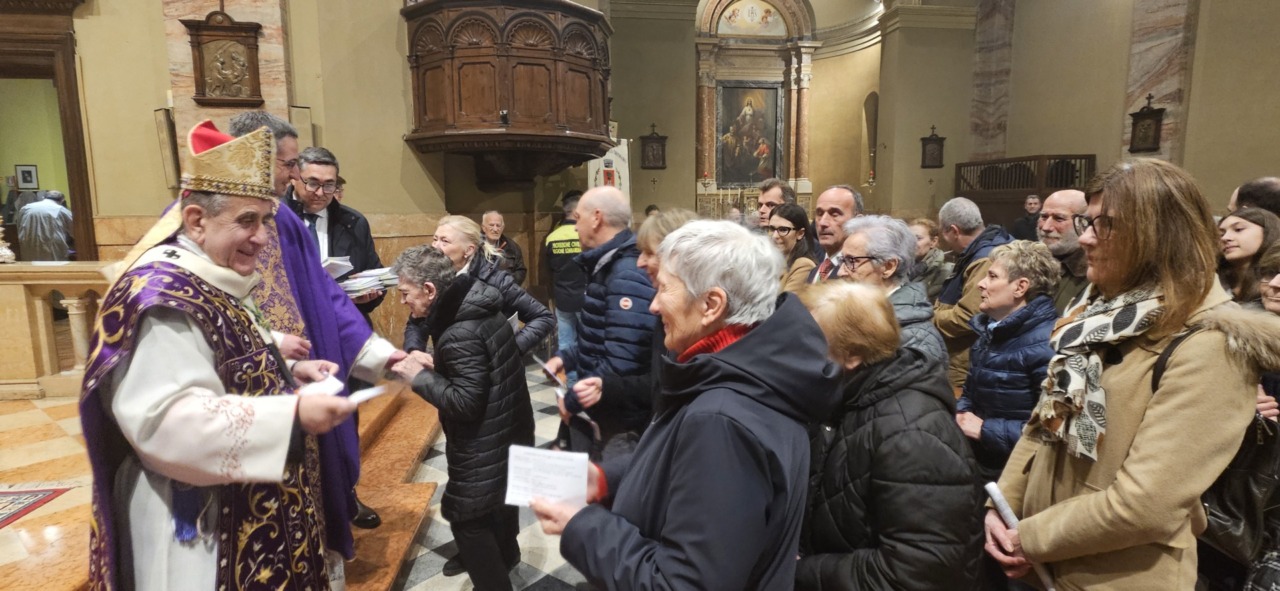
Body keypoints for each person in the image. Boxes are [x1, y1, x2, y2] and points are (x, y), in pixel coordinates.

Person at [79, 121, 360, 590]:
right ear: (195, 220)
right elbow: (164, 422)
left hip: (249, 503)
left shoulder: (210, 274)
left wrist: (290, 369)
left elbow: (222, 357)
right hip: (199, 524)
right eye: (247, 221)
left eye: (265, 220)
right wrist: (291, 415)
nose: (262, 238)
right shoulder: (163, 297)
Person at [986, 159, 1270, 590]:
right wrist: (1003, 506)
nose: (1086, 237)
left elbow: (1146, 504)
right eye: (1087, 221)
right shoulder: (1099, 315)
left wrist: (1031, 537)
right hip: (1045, 560)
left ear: (1159, 235)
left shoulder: (1211, 345)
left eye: (1106, 225)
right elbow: (1043, 426)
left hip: (1116, 575)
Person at [530, 220, 842, 589]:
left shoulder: (722, 419)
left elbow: (683, 584)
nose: (653, 305)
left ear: (711, 304)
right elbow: (687, 470)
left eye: (664, 288)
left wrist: (581, 525)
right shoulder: (751, 370)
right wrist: (606, 479)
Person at [228, 111, 403, 547]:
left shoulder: (283, 221)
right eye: (289, 165)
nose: (293, 177)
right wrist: (270, 344)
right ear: (252, 158)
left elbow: (326, 294)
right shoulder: (200, 220)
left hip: (308, 370)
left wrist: (383, 356)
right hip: (237, 404)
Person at [796, 280, 984, 590]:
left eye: (810, 342)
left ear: (852, 355)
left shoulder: (913, 435)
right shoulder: (846, 397)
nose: (796, 352)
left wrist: (799, 572)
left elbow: (916, 572)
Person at [390, 245, 533, 589]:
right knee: (499, 502)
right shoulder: (476, 303)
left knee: (467, 519)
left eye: (405, 293)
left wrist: (419, 378)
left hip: (484, 440)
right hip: (508, 426)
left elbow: (466, 403)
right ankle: (508, 554)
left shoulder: (458, 332)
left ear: (429, 289)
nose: (402, 301)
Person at [544, 186, 657, 457]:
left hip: (620, 419)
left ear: (596, 218)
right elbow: (602, 336)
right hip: (605, 409)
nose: (574, 227)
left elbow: (622, 361)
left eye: (577, 218)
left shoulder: (625, 273)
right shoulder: (607, 264)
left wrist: (573, 401)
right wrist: (567, 357)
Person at [955, 240, 1058, 484]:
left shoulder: (1048, 344)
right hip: (981, 463)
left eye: (992, 276)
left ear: (1020, 287)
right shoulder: (992, 330)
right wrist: (962, 413)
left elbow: (1052, 431)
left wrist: (985, 430)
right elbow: (971, 391)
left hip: (1015, 475)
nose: (981, 284)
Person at [404, 215, 552, 358]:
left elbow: (543, 317)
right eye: (435, 239)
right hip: (448, 365)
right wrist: (415, 350)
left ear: (469, 250)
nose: (436, 247)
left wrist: (510, 351)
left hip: (490, 371)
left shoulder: (495, 280)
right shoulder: (432, 276)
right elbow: (417, 321)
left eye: (445, 241)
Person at [288, 147, 385, 319]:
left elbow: (375, 276)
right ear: (295, 178)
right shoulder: (273, 216)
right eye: (312, 183)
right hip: (293, 322)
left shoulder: (354, 222)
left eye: (329, 185)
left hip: (342, 321)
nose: (320, 193)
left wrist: (364, 297)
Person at [838, 215, 946, 365]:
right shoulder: (866, 313)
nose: (840, 272)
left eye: (851, 261)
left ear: (888, 267)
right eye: (842, 260)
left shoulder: (913, 339)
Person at [934, 196, 1013, 389]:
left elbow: (969, 316)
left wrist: (929, 317)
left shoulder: (985, 258)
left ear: (954, 231)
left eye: (943, 233)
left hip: (966, 359)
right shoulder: (985, 247)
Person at [545, 190, 587, 376]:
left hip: (562, 298)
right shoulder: (585, 235)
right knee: (588, 344)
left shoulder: (552, 237)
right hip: (585, 298)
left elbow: (548, 269)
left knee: (565, 345)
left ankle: (570, 385)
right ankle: (586, 384)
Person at [1037, 189, 1090, 313]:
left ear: (1083, 223)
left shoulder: (1096, 274)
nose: (1046, 227)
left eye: (1059, 219)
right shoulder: (1026, 262)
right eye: (1044, 217)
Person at [1218, 207, 1280, 306]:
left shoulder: (1276, 281)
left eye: (1238, 229)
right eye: (1221, 234)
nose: (1225, 238)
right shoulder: (1212, 280)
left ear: (1267, 232)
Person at [810, 184, 863, 283]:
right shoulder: (813, 272)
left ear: (857, 221)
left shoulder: (858, 275)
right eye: (819, 214)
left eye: (835, 214)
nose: (822, 222)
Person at [766, 202, 816, 292]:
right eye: (772, 229)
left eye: (783, 230)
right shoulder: (771, 261)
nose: (774, 236)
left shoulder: (803, 265)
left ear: (800, 233)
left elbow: (786, 300)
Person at [17, 189, 73, 261]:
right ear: (62, 200)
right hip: (52, 246)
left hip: (29, 244)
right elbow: (74, 229)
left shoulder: (26, 208)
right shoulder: (61, 209)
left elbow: (19, 226)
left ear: (44, 197)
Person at [909, 217, 952, 301]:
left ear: (933, 242)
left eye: (918, 238)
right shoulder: (900, 268)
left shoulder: (946, 272)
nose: (912, 243)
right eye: (909, 238)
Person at [482, 210, 528, 285]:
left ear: (502, 228)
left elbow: (521, 271)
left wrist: (507, 283)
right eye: (491, 225)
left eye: (498, 225)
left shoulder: (512, 247)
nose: (495, 229)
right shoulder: (475, 246)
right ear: (484, 228)